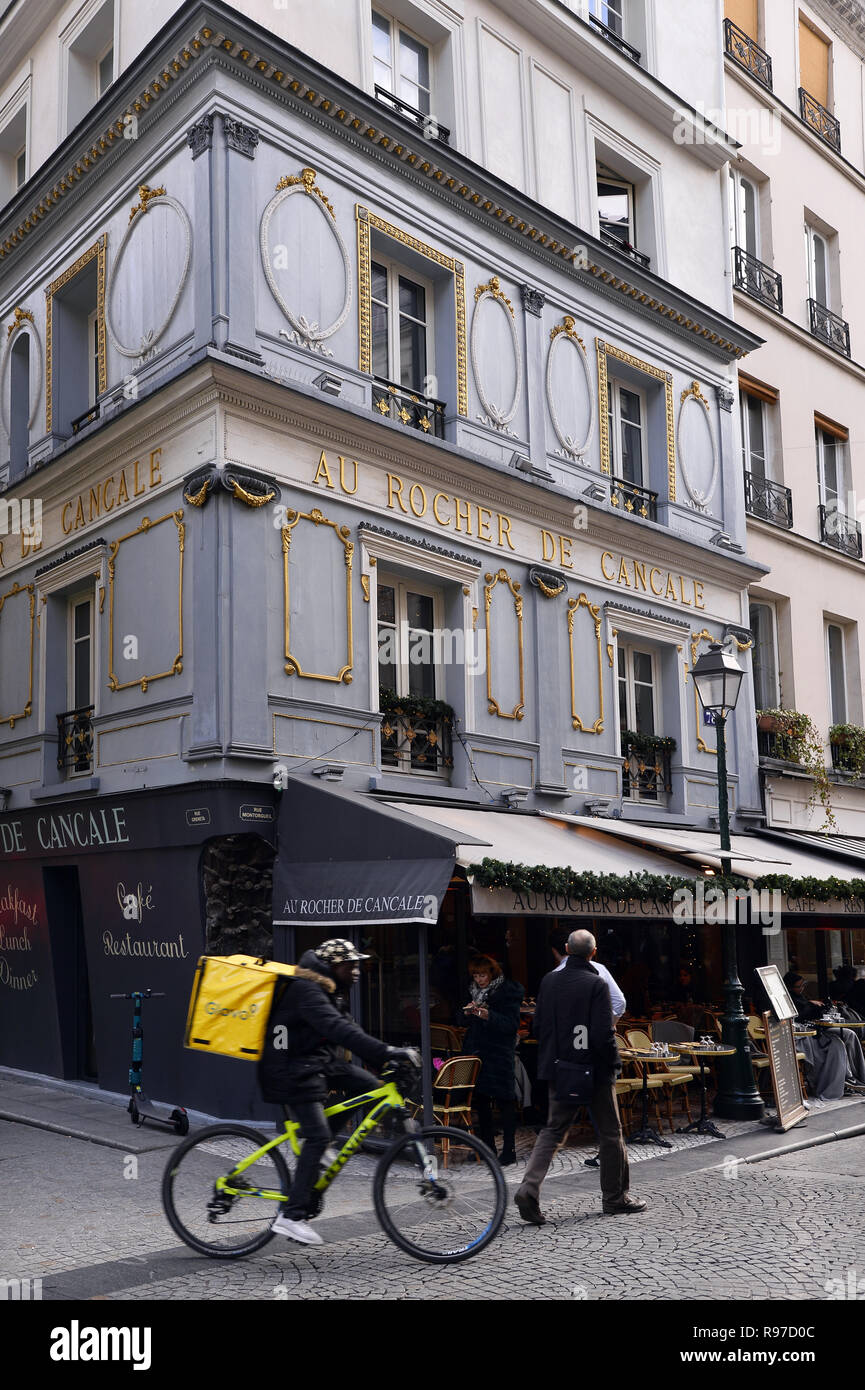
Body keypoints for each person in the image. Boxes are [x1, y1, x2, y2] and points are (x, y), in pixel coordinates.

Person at [258, 938, 417, 1245]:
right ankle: (291, 1216)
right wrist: (387, 1050)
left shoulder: (332, 990)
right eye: (351, 965)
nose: (358, 970)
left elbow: (350, 1032)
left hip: (318, 1064)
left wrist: (386, 1057)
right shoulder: (308, 989)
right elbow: (337, 1029)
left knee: (373, 1088)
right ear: (334, 967)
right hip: (289, 1069)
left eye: (359, 964)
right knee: (315, 1136)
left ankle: (321, 1146)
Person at [514, 929, 646, 1224]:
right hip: (594, 1071)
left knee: (552, 1131)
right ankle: (615, 1197)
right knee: (611, 1134)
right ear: (594, 953)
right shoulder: (596, 983)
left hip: (560, 1068)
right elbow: (601, 1034)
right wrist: (613, 1064)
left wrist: (551, 1063)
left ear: (565, 949)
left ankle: (528, 1188)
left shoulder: (548, 981)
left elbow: (540, 1029)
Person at [461, 955, 523, 1165]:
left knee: (505, 1101)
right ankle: (487, 1148)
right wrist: (469, 1012)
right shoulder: (474, 991)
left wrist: (488, 1016)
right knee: (481, 1101)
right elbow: (461, 1020)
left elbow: (511, 1024)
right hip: (478, 1052)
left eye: (483, 975)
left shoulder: (507, 993)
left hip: (499, 1052)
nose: (479, 979)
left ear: (492, 973)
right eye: (476, 975)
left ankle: (509, 1149)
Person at [783, 971, 865, 1099]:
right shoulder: (789, 1000)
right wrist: (812, 1006)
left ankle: (858, 1074)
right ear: (790, 987)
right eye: (799, 986)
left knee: (850, 1034)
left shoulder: (801, 997)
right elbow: (802, 1014)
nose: (802, 988)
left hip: (816, 1028)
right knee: (837, 1043)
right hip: (805, 1034)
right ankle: (844, 1077)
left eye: (803, 985)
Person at [551, 929, 626, 1019]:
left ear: (568, 947)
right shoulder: (600, 969)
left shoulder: (553, 977)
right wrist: (606, 1025)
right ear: (594, 951)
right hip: (597, 1029)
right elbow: (619, 1002)